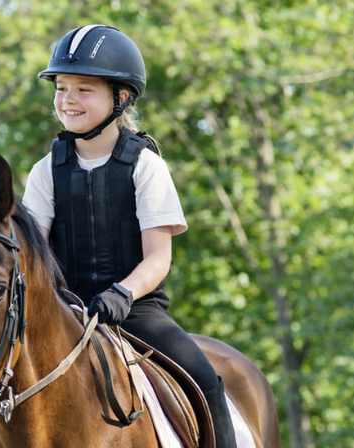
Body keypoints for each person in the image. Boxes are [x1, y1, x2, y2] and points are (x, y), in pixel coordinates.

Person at [22, 25, 237, 447]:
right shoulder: (45, 170)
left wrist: (121, 294)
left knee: (207, 381)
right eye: (61, 87)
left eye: (84, 89)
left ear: (120, 97)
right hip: (65, 312)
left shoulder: (145, 166)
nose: (67, 99)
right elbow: (35, 254)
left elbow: (158, 258)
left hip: (136, 311)